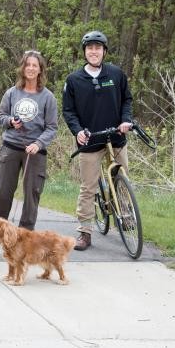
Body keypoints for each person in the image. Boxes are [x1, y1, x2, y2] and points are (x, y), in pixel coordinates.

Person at [62, 31, 134, 251]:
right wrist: (77, 131)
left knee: (122, 178)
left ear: (104, 51)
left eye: (98, 48)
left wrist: (126, 120)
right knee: (88, 187)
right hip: (90, 140)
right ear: (84, 51)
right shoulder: (74, 80)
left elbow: (127, 100)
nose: (94, 52)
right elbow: (68, 111)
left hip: (116, 137)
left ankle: (127, 215)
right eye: (90, 48)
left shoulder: (116, 74)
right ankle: (85, 231)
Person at [0, 50, 58, 237]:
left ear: (40, 69)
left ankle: (26, 233)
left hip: (34, 152)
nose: (31, 68)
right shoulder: (12, 93)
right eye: (27, 65)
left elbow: (52, 127)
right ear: (22, 68)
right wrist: (10, 121)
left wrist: (39, 144)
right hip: (10, 148)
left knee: (31, 194)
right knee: (2, 191)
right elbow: (0, 117)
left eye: (35, 65)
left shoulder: (48, 97)